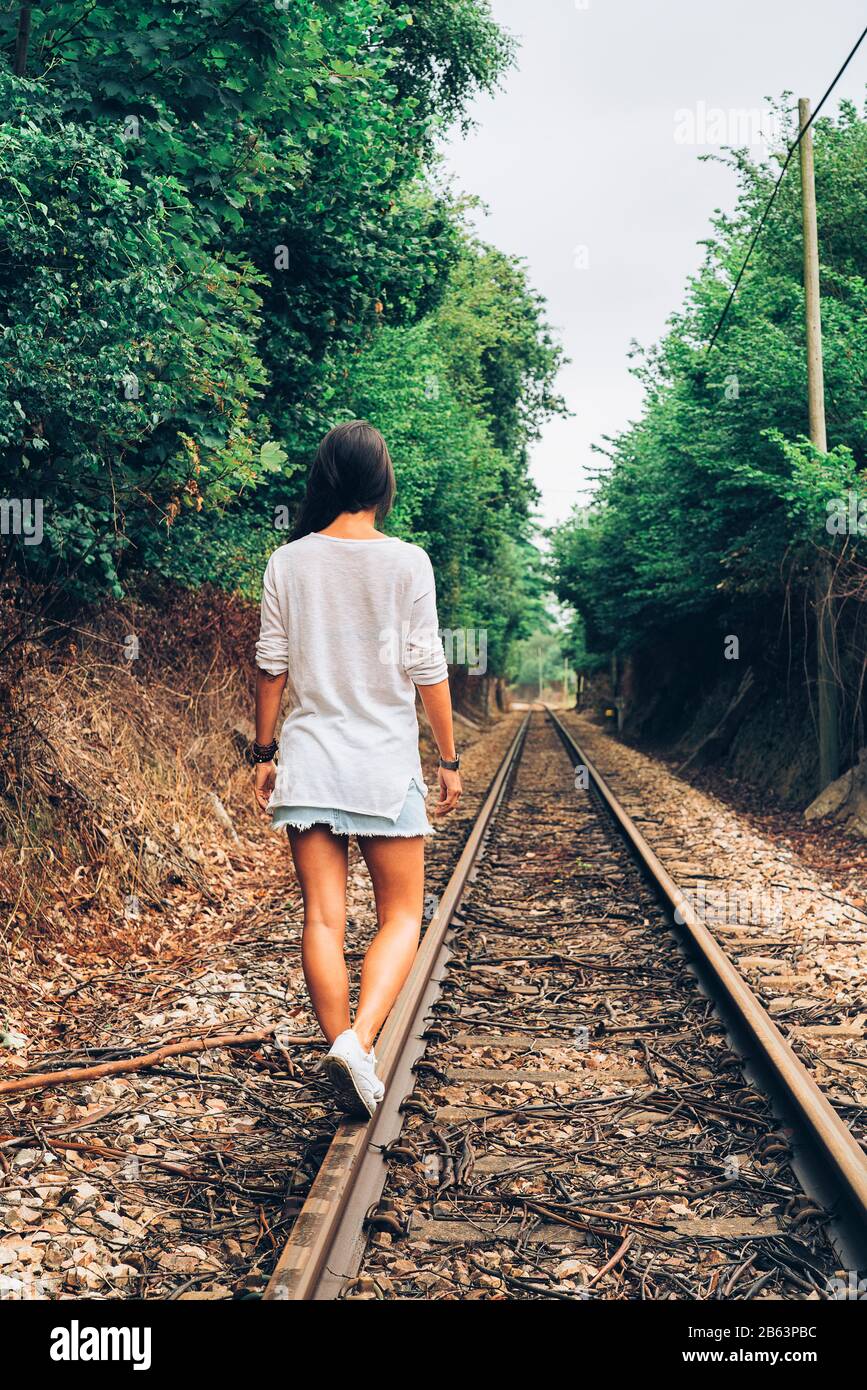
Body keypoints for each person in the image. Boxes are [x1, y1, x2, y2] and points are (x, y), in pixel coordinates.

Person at [252, 420, 462, 1119]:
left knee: (322, 917)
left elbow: (271, 666)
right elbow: (427, 669)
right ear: (381, 483)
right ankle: (360, 1044)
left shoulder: (287, 562)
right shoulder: (407, 562)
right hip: (381, 764)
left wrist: (263, 751)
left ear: (322, 479)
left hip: (310, 763)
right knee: (402, 914)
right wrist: (449, 758)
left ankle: (339, 1036)